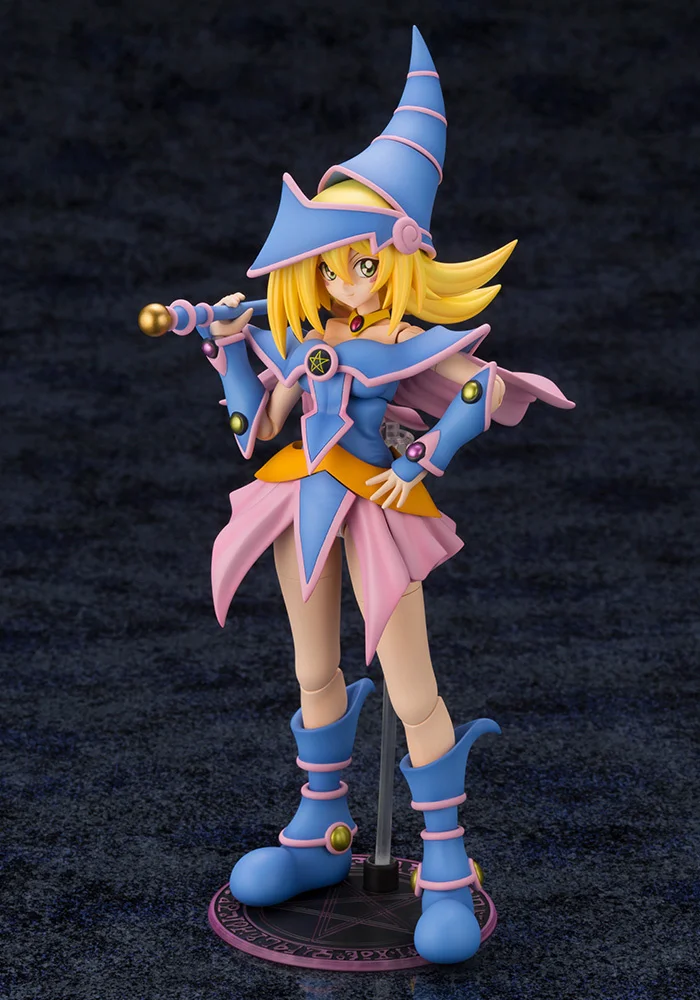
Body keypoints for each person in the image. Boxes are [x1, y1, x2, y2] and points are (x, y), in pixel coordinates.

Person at [200, 26, 574, 964]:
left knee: (412, 687)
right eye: (331, 265)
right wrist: (233, 352)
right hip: (298, 503)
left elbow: (482, 389)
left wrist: (425, 457)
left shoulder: (402, 344)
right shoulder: (305, 341)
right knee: (312, 671)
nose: (344, 281)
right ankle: (321, 831)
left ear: (401, 263)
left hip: (373, 511)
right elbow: (256, 430)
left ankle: (443, 861)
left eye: (362, 263)